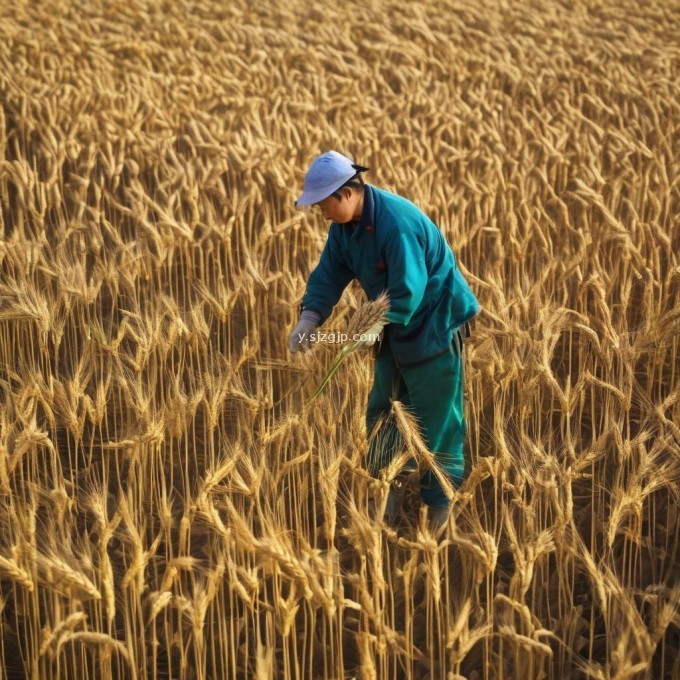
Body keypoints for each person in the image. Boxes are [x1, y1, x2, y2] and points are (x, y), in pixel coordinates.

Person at [289, 151, 480, 528]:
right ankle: (384, 495)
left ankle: (438, 511)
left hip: (432, 324)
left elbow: (409, 290)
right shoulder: (344, 228)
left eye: (322, 204)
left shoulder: (396, 224)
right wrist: (309, 317)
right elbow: (329, 273)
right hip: (392, 326)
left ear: (344, 194)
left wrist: (374, 327)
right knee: (383, 411)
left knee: (436, 420)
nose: (320, 212)